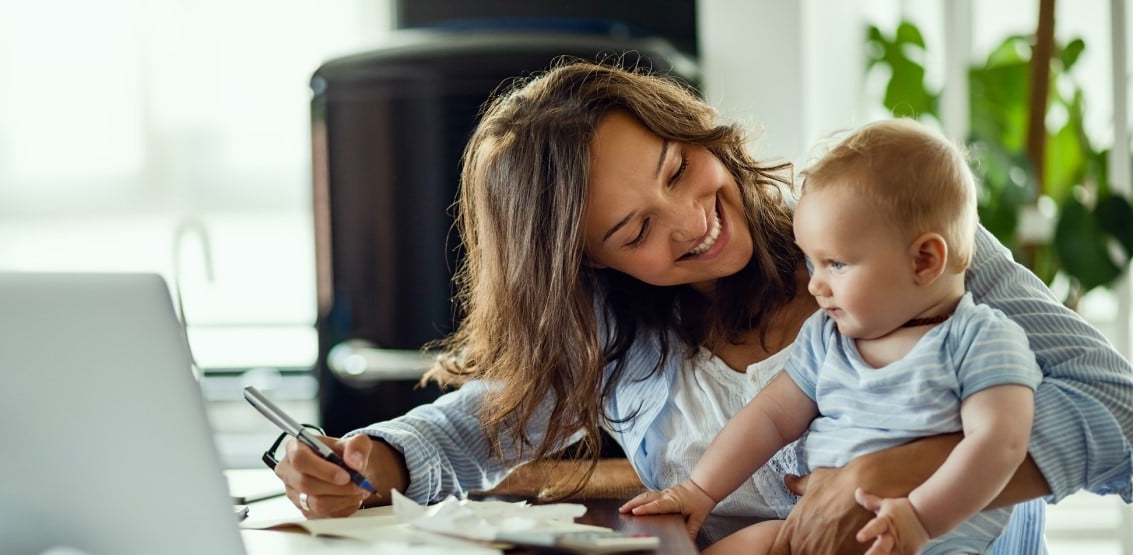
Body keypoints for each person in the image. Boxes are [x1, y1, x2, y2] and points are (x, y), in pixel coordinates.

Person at [273, 60, 1133, 553]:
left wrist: (887, 474)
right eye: (635, 226)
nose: (691, 221)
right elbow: (470, 427)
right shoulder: (617, 329)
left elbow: (1122, 415)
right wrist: (362, 460)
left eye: (678, 168)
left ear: (691, 127)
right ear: (586, 263)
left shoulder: (885, 232)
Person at [619, 118, 1039, 554]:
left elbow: (1001, 444)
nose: (815, 285)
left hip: (925, 541)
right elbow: (770, 418)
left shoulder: (981, 341)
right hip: (814, 534)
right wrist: (699, 491)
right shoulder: (829, 338)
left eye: (835, 264)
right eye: (812, 262)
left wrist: (919, 516)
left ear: (924, 261)